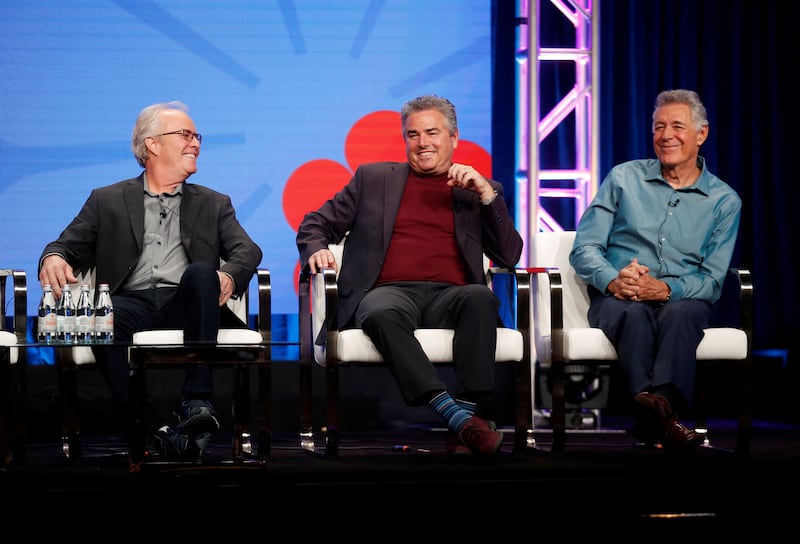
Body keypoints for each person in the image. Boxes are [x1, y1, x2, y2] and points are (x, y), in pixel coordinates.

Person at [296, 94, 524, 458]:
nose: (422, 143)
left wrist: (486, 196)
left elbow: (509, 255)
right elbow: (315, 223)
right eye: (413, 134)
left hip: (453, 295)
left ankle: (464, 422)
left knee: (481, 298)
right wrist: (316, 248)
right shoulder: (373, 179)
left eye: (432, 133)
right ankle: (462, 421)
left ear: (454, 137)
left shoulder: (479, 189)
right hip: (390, 291)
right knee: (379, 311)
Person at [38, 101, 262, 461]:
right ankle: (156, 429)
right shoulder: (106, 200)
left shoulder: (214, 203)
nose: (196, 143)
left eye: (197, 136)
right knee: (100, 319)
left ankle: (197, 400)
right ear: (153, 144)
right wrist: (53, 257)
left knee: (202, 271)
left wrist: (229, 276)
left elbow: (247, 250)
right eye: (186, 135)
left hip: (187, 303)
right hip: (132, 302)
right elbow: (65, 245)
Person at [569, 89, 742, 454]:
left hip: (682, 300)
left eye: (677, 126)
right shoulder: (623, 178)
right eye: (659, 126)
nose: (666, 135)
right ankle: (667, 419)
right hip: (619, 297)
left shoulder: (724, 201)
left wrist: (664, 290)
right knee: (632, 314)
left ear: (701, 133)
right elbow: (584, 248)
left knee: (680, 315)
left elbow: (712, 280)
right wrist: (613, 280)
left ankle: (655, 416)